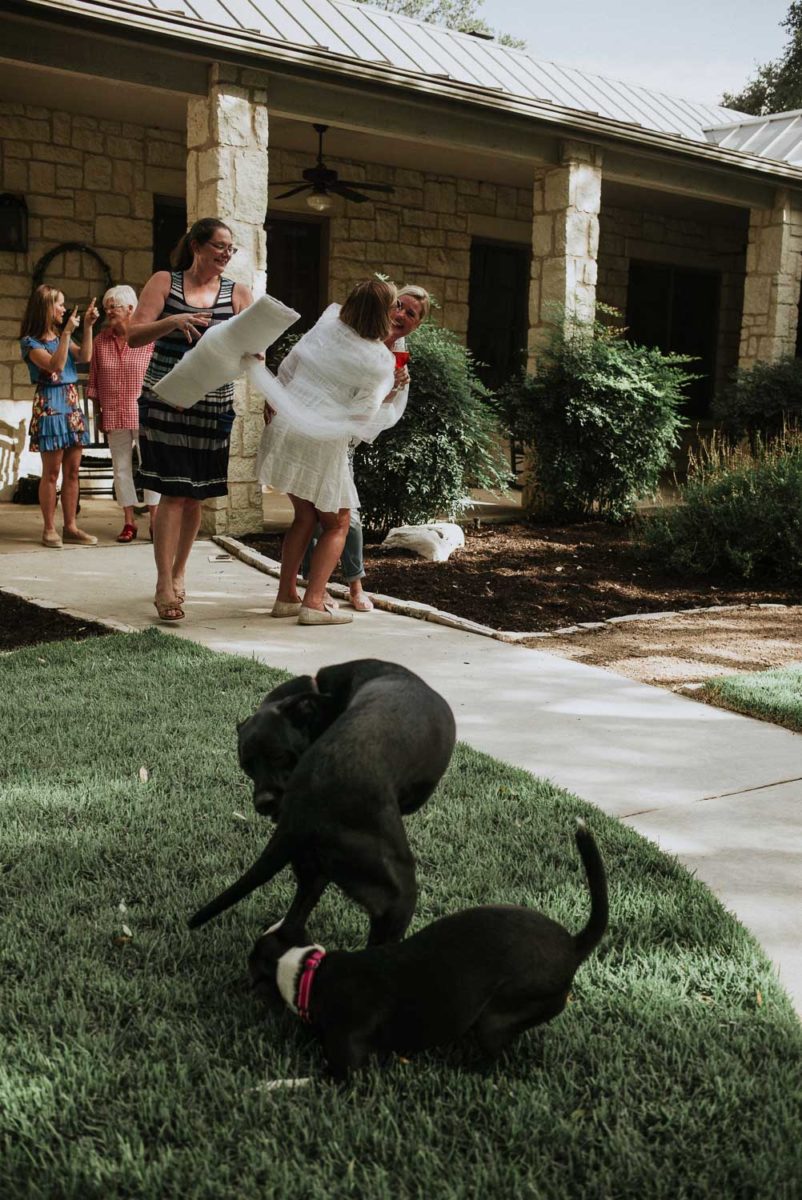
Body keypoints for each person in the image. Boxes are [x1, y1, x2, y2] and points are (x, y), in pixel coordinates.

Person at [256, 279, 403, 626]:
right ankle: (314, 603)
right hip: (321, 439)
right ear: (384, 313)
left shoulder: (328, 323)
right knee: (338, 522)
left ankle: (286, 596)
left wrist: (278, 399)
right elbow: (363, 417)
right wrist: (391, 393)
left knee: (305, 516)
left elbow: (289, 367)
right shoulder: (380, 359)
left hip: (287, 424)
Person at [128, 218, 254, 622]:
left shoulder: (239, 294)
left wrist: (256, 353)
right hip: (166, 399)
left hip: (213, 405)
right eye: (219, 246)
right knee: (172, 492)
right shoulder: (166, 282)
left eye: (230, 249)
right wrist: (172, 321)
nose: (225, 254)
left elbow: (251, 350)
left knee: (195, 493)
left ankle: (181, 572)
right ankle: (164, 581)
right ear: (197, 245)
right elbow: (133, 335)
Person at [299, 284, 430, 611]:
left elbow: (381, 413)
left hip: (346, 438)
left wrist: (389, 390)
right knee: (315, 514)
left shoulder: (399, 359)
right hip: (317, 427)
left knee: (345, 515)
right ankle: (318, 586)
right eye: (398, 305)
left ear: (417, 324)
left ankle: (352, 585)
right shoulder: (359, 332)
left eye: (410, 313)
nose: (400, 314)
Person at [19, 285, 99, 548]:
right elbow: (54, 365)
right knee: (51, 473)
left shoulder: (59, 337)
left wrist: (87, 326)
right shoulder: (31, 342)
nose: (64, 309)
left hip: (71, 403)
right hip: (50, 404)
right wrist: (66, 333)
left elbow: (85, 357)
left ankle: (71, 527)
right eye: (60, 304)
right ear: (46, 307)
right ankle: (49, 528)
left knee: (73, 471)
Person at [86, 285, 159, 544]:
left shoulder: (148, 339)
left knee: (150, 467)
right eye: (107, 306)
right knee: (121, 468)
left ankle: (155, 520)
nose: (108, 311)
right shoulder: (100, 341)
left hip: (143, 413)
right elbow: (94, 381)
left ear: (131, 309)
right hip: (114, 413)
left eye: (113, 306)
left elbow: (157, 378)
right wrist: (98, 414)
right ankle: (129, 522)